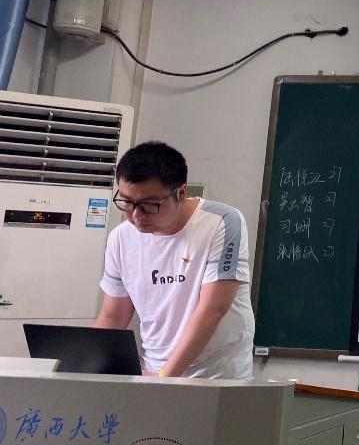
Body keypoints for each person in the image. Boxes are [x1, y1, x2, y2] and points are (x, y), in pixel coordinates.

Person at [91, 141, 255, 379]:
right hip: (153, 372)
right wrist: (83, 364)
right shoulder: (120, 238)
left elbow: (212, 309)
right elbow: (113, 317)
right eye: (126, 202)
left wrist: (164, 377)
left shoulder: (222, 221)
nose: (136, 216)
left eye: (149, 205)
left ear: (181, 193)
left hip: (216, 376)